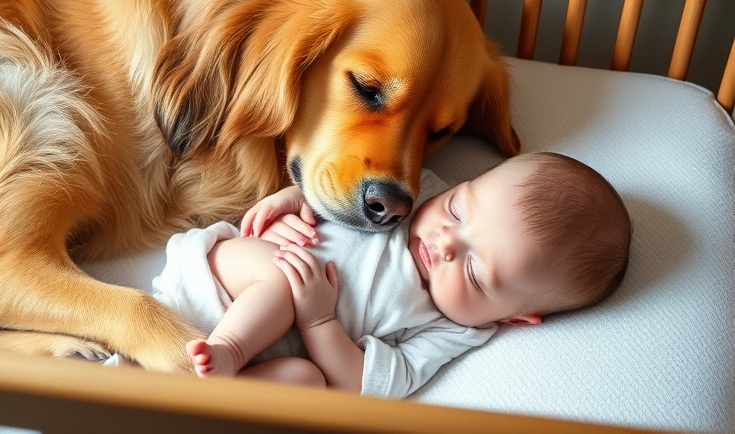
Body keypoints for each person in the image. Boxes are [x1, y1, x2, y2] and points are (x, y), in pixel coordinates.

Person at [151, 152, 632, 397]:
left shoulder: (453, 330)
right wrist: (292, 202)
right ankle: (227, 351)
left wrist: (318, 321)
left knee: (307, 382)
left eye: (474, 270)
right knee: (281, 278)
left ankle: (199, 395)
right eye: (457, 210)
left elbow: (362, 385)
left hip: (253, 359)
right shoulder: (414, 191)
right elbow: (332, 186)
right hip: (220, 278)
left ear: (513, 317)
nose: (445, 241)